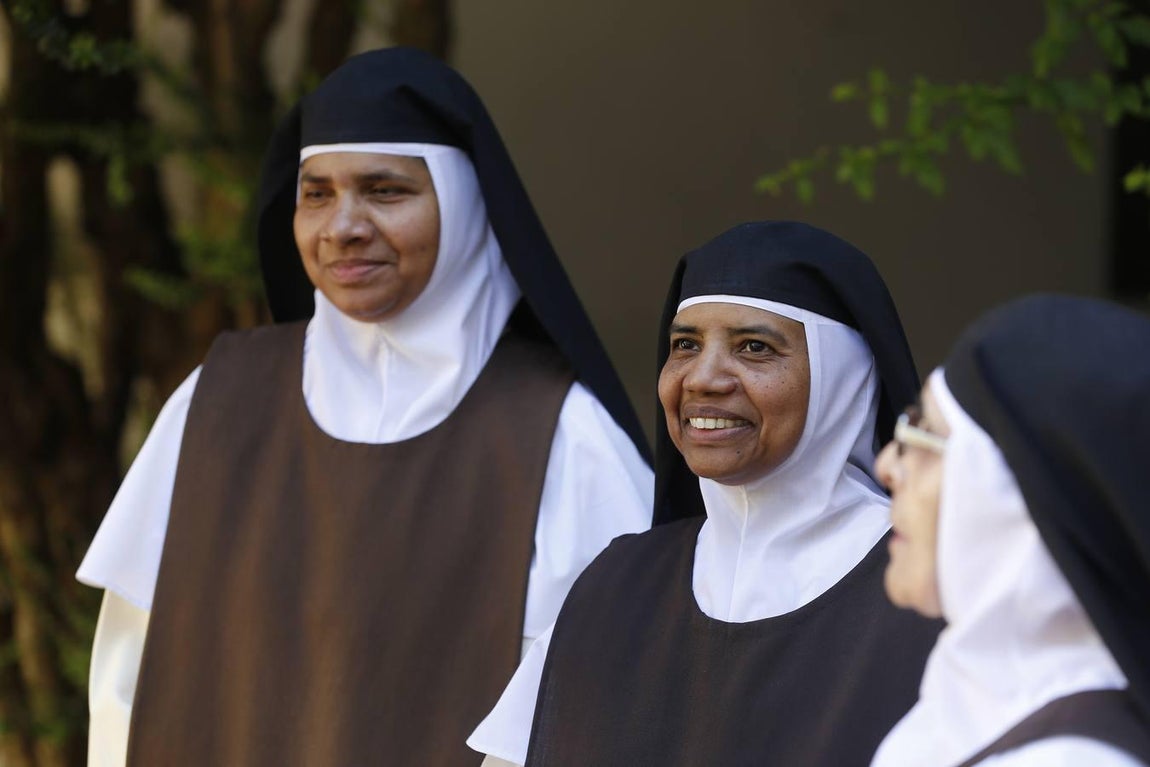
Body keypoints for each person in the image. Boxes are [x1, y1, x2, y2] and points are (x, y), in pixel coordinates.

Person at [77, 47, 653, 766]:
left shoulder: (561, 436)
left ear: (467, 204)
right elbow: (128, 682)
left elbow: (601, 712)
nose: (342, 226)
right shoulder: (216, 403)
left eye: (384, 190)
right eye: (316, 193)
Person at [468, 221, 943, 767]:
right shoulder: (617, 583)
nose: (702, 378)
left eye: (755, 347)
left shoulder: (929, 582)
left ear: (844, 379)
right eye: (685, 345)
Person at [871, 294, 1150, 767]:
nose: (886, 466)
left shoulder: (1074, 759)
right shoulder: (982, 697)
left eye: (923, 434)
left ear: (1013, 495)